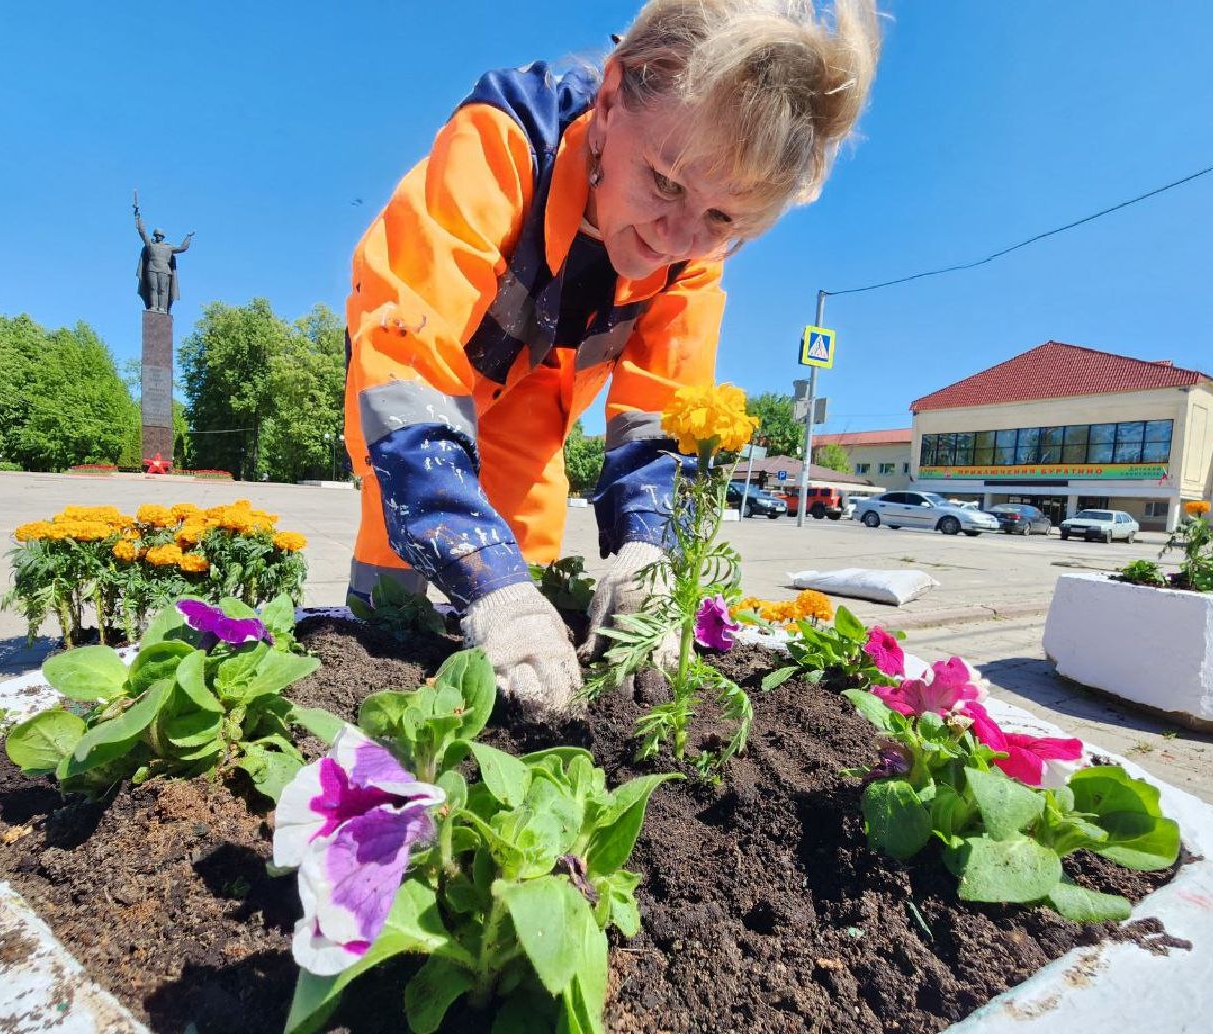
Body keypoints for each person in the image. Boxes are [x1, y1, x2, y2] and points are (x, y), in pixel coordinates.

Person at [343, 0, 879, 713]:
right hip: (432, 382)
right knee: (394, 608)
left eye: (723, 218)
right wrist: (485, 580)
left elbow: (663, 417)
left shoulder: (692, 254)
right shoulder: (506, 139)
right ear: (609, 98)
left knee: (528, 621)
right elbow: (405, 366)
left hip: (536, 402)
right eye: (665, 181)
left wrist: (648, 553)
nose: (676, 237)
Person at [134, 200, 194, 314]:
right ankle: (153, 307)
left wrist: (188, 237)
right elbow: (142, 232)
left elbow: (182, 248)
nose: (158, 237)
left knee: (163, 290)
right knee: (152, 288)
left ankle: (162, 308)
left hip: (164, 271)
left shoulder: (168, 248)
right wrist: (137, 216)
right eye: (157, 235)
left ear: (163, 237)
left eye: (160, 236)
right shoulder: (150, 245)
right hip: (152, 268)